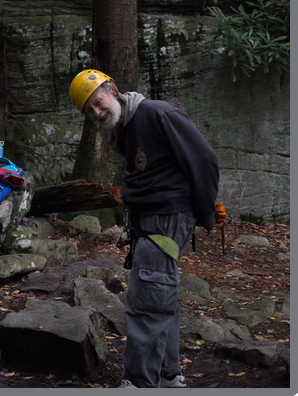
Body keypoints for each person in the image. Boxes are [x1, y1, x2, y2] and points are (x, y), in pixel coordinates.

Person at [68, 69, 219, 389]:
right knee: (159, 295)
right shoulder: (125, 129)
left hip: (165, 218)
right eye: (90, 111)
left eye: (98, 102)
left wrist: (205, 213)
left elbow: (204, 159)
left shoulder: (156, 114)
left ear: (113, 90)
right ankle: (167, 375)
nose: (97, 112)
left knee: (145, 302)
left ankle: (138, 383)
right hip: (150, 221)